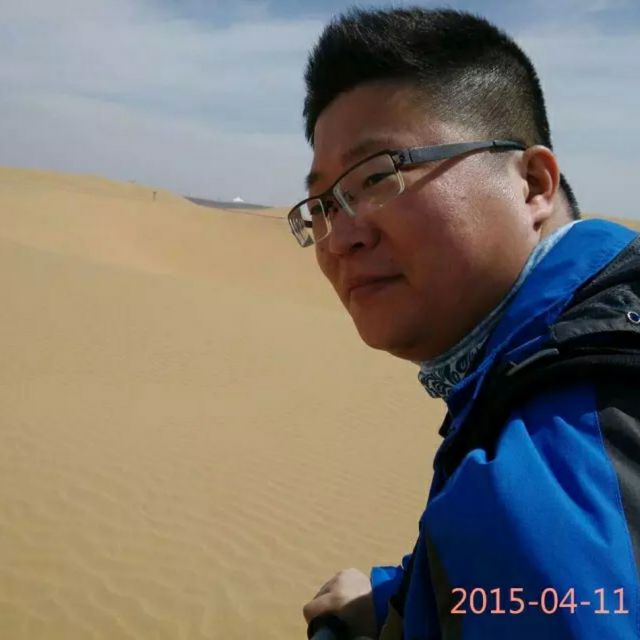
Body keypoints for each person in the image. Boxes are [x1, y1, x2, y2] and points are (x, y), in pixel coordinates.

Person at [288, 7, 640, 640]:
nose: (339, 238)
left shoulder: (550, 464)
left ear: (532, 183)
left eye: (378, 175)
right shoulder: (579, 334)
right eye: (322, 206)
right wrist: (399, 601)